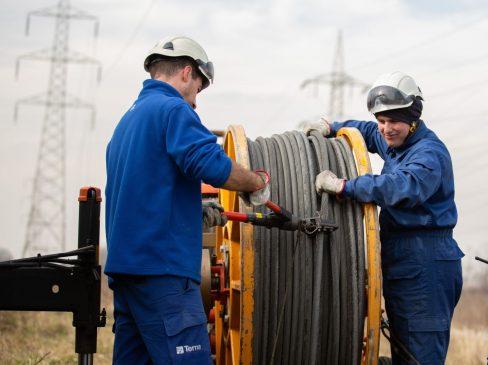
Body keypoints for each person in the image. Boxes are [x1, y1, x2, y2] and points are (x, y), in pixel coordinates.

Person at [105, 36, 269, 364]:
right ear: (185, 72)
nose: (196, 100)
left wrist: (195, 209)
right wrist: (255, 183)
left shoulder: (127, 123)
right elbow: (210, 164)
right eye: (198, 87)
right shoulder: (173, 109)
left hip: (127, 273)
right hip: (163, 274)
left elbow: (148, 190)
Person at [308, 71, 464, 364]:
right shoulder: (396, 143)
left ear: (412, 119)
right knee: (403, 348)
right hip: (402, 257)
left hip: (427, 261)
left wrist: (346, 186)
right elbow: (366, 132)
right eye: (382, 120)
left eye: (393, 121)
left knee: (420, 354)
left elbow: (401, 187)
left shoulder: (428, 153)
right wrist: (334, 126)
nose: (386, 129)